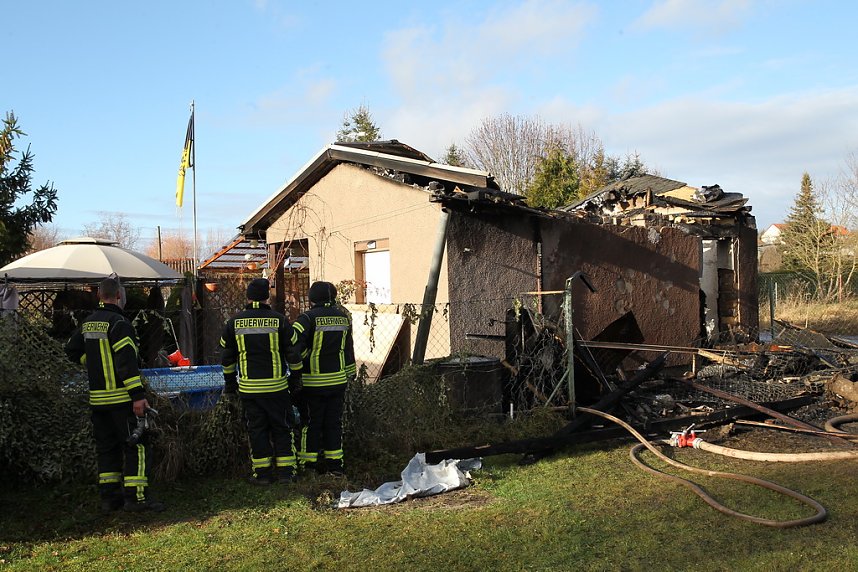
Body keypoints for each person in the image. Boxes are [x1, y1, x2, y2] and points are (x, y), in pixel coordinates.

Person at [65, 276, 164, 513]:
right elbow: (126, 364)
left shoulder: (88, 323)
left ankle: (110, 499)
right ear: (119, 295)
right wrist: (138, 396)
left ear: (99, 295)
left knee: (107, 449)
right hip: (121, 399)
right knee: (137, 445)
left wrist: (93, 363)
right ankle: (137, 499)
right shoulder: (120, 324)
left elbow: (71, 350)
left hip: (98, 401)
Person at [220, 278, 303, 485]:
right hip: (277, 388)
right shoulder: (280, 320)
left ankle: (262, 475)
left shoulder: (234, 322)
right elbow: (293, 355)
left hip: (249, 390)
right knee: (282, 428)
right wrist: (295, 379)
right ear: (268, 297)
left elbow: (227, 359)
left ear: (247, 296)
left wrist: (230, 385)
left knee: (256, 430)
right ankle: (286, 474)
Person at [292, 281, 356, 476]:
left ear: (311, 298)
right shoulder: (343, 318)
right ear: (333, 297)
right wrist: (350, 374)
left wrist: (301, 365)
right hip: (337, 382)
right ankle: (335, 466)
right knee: (333, 423)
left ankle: (308, 466)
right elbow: (348, 349)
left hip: (312, 383)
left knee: (311, 423)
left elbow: (294, 348)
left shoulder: (306, 319)